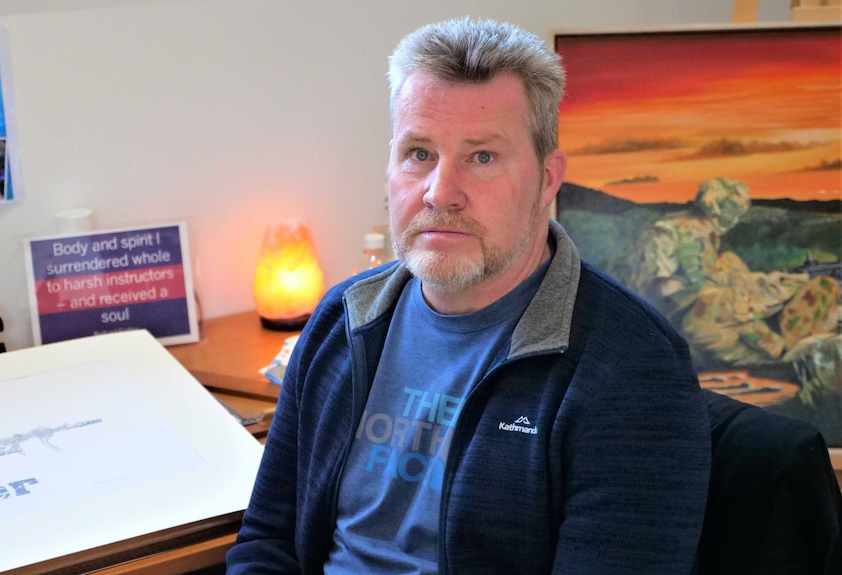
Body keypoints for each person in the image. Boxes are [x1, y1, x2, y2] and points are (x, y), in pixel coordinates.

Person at [226, 17, 711, 574]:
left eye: (482, 157)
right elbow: (267, 540)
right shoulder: (343, 318)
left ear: (548, 178)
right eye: (419, 153)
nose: (440, 192)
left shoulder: (634, 368)